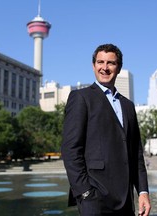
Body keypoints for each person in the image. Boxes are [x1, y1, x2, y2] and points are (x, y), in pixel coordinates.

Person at [61, 44, 151, 216]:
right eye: (100, 62)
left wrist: (143, 191)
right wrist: (85, 192)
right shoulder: (81, 98)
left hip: (126, 199)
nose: (105, 67)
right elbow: (70, 149)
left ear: (118, 68)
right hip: (94, 199)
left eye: (111, 63)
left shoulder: (128, 105)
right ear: (93, 65)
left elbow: (136, 154)